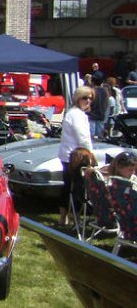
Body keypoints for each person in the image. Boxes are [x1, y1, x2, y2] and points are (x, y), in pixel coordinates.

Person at [57, 86, 95, 226]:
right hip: (76, 157)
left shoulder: (73, 113)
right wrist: (91, 154)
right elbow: (82, 137)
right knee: (78, 188)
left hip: (69, 155)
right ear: (78, 99)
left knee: (67, 186)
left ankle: (65, 217)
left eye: (90, 98)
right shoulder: (77, 115)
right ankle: (74, 217)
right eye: (85, 98)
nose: (88, 101)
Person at [88, 75, 110, 140]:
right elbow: (106, 104)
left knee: (91, 136)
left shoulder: (91, 91)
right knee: (100, 137)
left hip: (91, 115)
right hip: (101, 114)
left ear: (93, 82)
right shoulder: (105, 91)